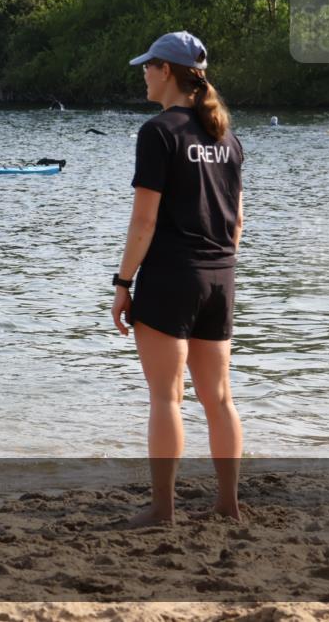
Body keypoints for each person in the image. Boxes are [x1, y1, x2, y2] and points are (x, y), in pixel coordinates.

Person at [111, 31, 244, 527]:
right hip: (219, 278)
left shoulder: (158, 132)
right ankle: (228, 505)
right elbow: (236, 225)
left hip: (170, 277)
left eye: (148, 66)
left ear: (167, 70)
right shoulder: (227, 137)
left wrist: (123, 283)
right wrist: (215, 269)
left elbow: (144, 221)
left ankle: (162, 509)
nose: (143, 73)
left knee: (166, 397)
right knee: (220, 398)